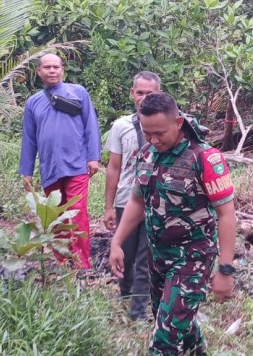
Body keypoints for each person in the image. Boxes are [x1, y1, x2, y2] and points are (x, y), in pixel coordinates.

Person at [109, 92, 237, 356]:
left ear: (178, 123)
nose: (154, 140)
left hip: (192, 258)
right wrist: (117, 242)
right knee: (175, 320)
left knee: (165, 339)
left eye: (160, 134)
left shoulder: (205, 158)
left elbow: (226, 215)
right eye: (147, 133)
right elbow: (137, 200)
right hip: (158, 256)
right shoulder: (147, 153)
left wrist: (225, 269)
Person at [19, 53, 101, 271]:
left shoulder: (78, 92)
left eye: (56, 67)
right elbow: (29, 139)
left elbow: (91, 125)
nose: (52, 70)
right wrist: (26, 171)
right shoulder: (33, 102)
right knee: (55, 216)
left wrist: (93, 157)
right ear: (39, 71)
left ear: (63, 70)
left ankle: (82, 264)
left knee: (77, 211)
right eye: (47, 67)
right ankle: (62, 262)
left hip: (77, 165)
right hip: (50, 167)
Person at [104, 71, 161, 321]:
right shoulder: (121, 126)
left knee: (145, 258)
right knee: (124, 253)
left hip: (155, 202)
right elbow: (114, 167)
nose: (144, 97)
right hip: (126, 199)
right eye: (140, 92)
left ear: (159, 94)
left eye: (150, 93)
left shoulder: (168, 125)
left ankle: (138, 312)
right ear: (132, 93)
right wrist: (109, 206)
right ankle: (125, 294)